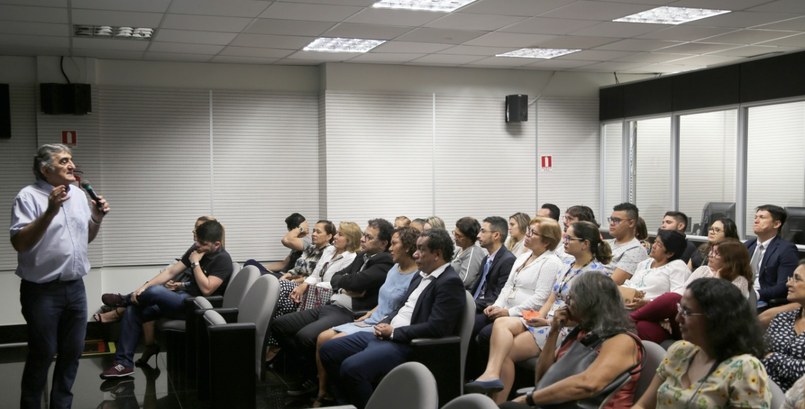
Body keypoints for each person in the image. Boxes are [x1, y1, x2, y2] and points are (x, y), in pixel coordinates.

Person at [465, 221, 612, 403]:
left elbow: (587, 317)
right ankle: (492, 379)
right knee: (501, 326)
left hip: (565, 327)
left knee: (506, 352)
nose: (564, 241)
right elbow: (551, 297)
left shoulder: (596, 274)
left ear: (585, 244)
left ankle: (499, 401)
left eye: (569, 238)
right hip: (547, 319)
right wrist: (539, 316)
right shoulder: (568, 264)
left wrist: (549, 322)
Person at [319, 228, 466, 409]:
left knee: (351, 368)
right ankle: (348, 402)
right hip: (387, 334)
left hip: (409, 343)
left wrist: (394, 332)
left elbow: (437, 328)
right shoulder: (420, 275)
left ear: (437, 254)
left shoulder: (449, 282)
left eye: (421, 249)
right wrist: (385, 322)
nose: (415, 254)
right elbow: (400, 308)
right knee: (329, 349)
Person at [11, 143, 109, 409]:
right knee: (42, 353)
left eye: (71, 160)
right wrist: (50, 211)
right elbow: (20, 243)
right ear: (45, 170)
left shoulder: (78, 195)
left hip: (75, 288)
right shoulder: (28, 197)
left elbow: (84, 239)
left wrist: (96, 218)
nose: (71, 165)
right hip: (41, 291)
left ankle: (61, 405)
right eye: (64, 161)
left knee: (72, 352)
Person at [270, 218, 394, 396]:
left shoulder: (385, 262)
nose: (363, 239)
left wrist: (347, 282)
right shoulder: (362, 256)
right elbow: (336, 277)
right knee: (279, 325)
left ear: (383, 243)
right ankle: (312, 371)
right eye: (364, 235)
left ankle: (312, 379)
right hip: (333, 304)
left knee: (304, 336)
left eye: (369, 237)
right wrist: (346, 285)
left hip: (349, 312)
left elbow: (356, 282)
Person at [100, 219, 233, 378]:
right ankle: (123, 364)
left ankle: (124, 299)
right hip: (181, 299)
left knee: (156, 291)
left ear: (217, 244)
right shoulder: (196, 249)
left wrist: (195, 263)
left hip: (197, 307)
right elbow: (171, 272)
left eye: (203, 243)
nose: (197, 245)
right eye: (197, 240)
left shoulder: (223, 260)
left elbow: (207, 289)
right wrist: (144, 287)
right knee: (133, 310)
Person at [499, 273, 643, 409]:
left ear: (589, 304)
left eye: (571, 298)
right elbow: (542, 380)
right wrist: (554, 331)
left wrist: (529, 399)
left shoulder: (621, 340)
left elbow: (589, 385)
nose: (566, 304)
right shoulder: (582, 332)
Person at [311, 227, 419, 407]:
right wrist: (371, 312)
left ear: (407, 247)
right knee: (323, 339)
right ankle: (328, 392)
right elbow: (385, 298)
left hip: (385, 324)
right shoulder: (394, 268)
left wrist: (379, 318)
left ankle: (343, 396)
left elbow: (401, 308)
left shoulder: (416, 276)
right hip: (372, 317)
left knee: (333, 342)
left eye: (394, 244)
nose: (390, 248)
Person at [633, 278, 771, 409]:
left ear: (715, 318)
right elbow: (643, 405)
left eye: (686, 312)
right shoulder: (679, 351)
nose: (677, 318)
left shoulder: (744, 369)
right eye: (679, 309)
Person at [630, 240, 751, 343]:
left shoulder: (739, 281)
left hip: (708, 328)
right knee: (642, 326)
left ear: (730, 259)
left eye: (716, 253)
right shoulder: (703, 270)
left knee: (672, 298)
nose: (710, 255)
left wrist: (717, 278)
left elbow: (719, 309)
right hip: (684, 319)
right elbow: (684, 295)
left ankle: (629, 319)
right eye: (711, 251)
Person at [473, 217, 563, 348]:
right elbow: (508, 286)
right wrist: (497, 305)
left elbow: (540, 298)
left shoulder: (551, 262)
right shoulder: (523, 257)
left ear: (546, 241)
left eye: (533, 233)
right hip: (505, 309)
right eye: (528, 230)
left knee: (485, 335)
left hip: (524, 316)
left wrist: (509, 312)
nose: (527, 235)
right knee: (472, 324)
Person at [273, 220, 336, 317]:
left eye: (318, 232)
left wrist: (293, 281)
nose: (314, 234)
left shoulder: (329, 252)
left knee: (280, 289)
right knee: (274, 286)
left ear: (329, 236)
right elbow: (296, 269)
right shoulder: (310, 248)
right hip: (294, 281)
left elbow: (316, 276)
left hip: (307, 287)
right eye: (313, 231)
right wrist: (286, 275)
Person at [619, 230, 690, 310]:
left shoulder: (678, 267)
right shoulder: (644, 263)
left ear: (670, 253)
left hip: (651, 310)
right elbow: (630, 284)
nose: (653, 246)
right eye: (655, 241)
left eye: (659, 245)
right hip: (625, 305)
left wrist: (648, 303)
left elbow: (676, 299)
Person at [747, 204, 799, 309]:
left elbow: (784, 286)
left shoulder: (786, 250)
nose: (756, 221)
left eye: (762, 217)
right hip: (741, 295)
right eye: (755, 217)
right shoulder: (748, 245)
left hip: (764, 299)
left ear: (776, 224)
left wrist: (755, 294)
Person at [763, 260, 805, 391]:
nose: (788, 283)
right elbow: (760, 352)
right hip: (764, 386)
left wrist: (773, 358)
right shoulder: (782, 318)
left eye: (797, 279)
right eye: (791, 278)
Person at [471, 216, 516, 314]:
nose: (478, 235)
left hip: (488, 310)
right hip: (475, 305)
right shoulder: (486, 259)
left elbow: (497, 296)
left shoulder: (508, 260)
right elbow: (476, 288)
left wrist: (469, 305)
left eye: (483, 231)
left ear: (496, 235)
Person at [245, 212, 309, 275]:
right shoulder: (296, 242)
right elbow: (283, 264)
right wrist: (262, 268)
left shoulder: (307, 241)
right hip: (280, 273)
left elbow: (286, 240)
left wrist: (301, 228)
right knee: (250, 263)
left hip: (286, 277)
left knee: (254, 272)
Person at [606, 202, 649, 285]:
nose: (611, 223)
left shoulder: (636, 250)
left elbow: (612, 283)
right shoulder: (607, 243)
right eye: (611, 219)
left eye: (617, 220)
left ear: (631, 223)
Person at [450, 216, 485, 289]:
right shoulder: (459, 250)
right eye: (454, 233)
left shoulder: (474, 253)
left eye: (459, 236)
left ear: (469, 238)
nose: (455, 238)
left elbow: (464, 281)